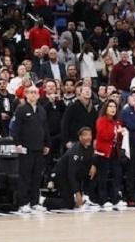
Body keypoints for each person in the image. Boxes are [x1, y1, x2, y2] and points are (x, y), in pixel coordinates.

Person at [13, 85, 51, 213]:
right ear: (26, 94)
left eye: (35, 92)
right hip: (26, 148)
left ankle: (34, 202)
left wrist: (47, 144)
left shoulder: (42, 110)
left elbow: (45, 128)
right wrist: (17, 144)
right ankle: (23, 203)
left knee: (37, 176)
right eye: (31, 92)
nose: (33, 94)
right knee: (25, 176)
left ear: (39, 95)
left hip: (39, 148)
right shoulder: (21, 109)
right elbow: (15, 128)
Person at [43, 126, 97, 211]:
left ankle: (88, 196)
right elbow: (71, 174)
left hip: (76, 175)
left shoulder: (90, 147)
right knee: (69, 204)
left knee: (95, 172)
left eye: (90, 135)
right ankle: (45, 201)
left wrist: (93, 165)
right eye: (85, 135)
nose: (88, 137)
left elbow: (93, 157)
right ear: (80, 137)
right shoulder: (76, 152)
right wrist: (77, 193)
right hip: (62, 176)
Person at [93, 99, 126, 210]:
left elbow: (118, 138)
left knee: (117, 174)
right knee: (103, 177)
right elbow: (104, 135)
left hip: (114, 153)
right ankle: (103, 200)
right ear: (105, 108)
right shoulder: (101, 120)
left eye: (114, 107)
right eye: (110, 106)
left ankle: (116, 198)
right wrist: (116, 132)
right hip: (103, 153)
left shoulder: (117, 122)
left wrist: (123, 134)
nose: (113, 109)